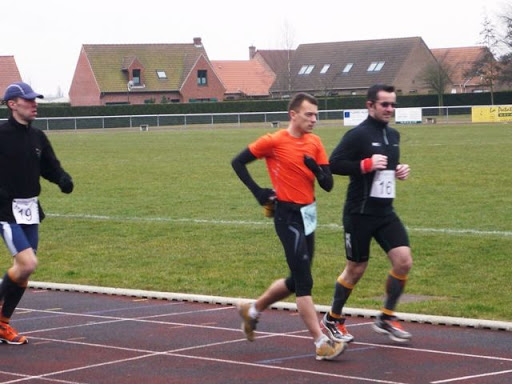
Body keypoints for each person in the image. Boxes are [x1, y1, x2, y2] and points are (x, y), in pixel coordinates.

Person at [231, 92, 346, 361]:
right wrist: (258, 192)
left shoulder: (315, 142)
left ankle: (253, 310)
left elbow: (328, 185)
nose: (314, 119)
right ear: (293, 115)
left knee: (296, 279)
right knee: (305, 281)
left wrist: (315, 169)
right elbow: (238, 162)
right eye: (309, 114)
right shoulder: (274, 141)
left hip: (309, 215)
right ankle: (321, 343)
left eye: (316, 115)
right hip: (286, 215)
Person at [321, 84, 412, 344]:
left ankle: (386, 316)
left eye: (393, 104)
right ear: (370, 105)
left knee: (403, 261)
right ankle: (333, 318)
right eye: (385, 104)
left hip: (385, 212)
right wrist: (364, 165)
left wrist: (398, 171)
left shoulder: (393, 135)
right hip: (359, 213)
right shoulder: (357, 135)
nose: (390, 109)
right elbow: (334, 164)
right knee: (356, 268)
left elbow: (385, 170)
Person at [0, 82, 74, 344]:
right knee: (27, 263)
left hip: (30, 209)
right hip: (5, 210)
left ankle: (3, 324)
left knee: (24, 271)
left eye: (35, 100)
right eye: (28, 100)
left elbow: (50, 166)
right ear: (12, 104)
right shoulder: (1, 134)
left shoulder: (37, 137)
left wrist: (63, 179)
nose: (35, 104)